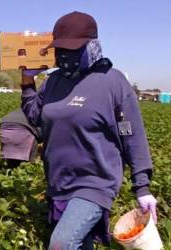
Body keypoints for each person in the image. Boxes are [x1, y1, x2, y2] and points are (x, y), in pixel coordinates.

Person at [20, 11, 157, 249]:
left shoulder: (113, 82)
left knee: (61, 243)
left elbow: (132, 135)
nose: (66, 56)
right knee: (81, 244)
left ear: (93, 45)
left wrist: (142, 187)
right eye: (61, 50)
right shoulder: (53, 81)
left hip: (95, 183)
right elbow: (34, 115)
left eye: (74, 50)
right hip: (59, 182)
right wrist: (27, 82)